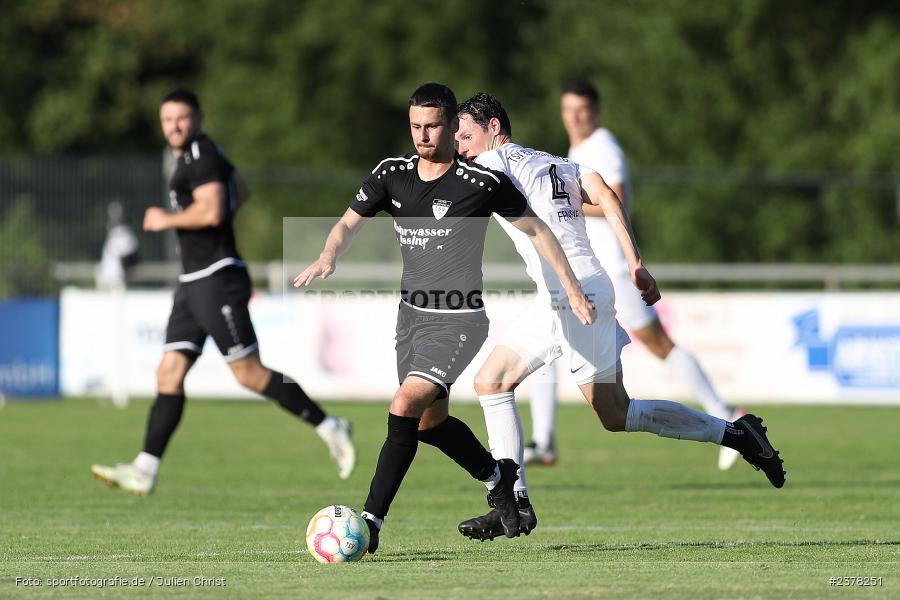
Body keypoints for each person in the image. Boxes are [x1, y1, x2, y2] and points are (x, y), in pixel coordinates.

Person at [453, 92, 786, 541]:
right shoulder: (555, 162)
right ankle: (515, 501)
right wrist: (635, 263)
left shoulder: (494, 164)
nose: (459, 143)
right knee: (491, 382)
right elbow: (607, 196)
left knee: (616, 414)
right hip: (568, 292)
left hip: (576, 296)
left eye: (465, 133)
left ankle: (737, 435)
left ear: (494, 127)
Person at [293, 83, 595, 553]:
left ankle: (370, 522)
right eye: (415, 126)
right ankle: (500, 477)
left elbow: (538, 230)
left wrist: (573, 288)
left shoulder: (479, 183)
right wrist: (329, 253)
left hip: (459, 319)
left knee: (403, 405)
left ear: (453, 126)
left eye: (432, 126)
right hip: (410, 319)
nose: (423, 135)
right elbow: (348, 222)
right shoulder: (391, 174)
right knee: (429, 425)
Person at [91, 89, 356, 495]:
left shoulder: (201, 154)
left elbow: (213, 209)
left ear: (197, 118)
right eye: (167, 120)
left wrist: (167, 219)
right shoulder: (198, 156)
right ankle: (145, 468)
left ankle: (329, 425)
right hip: (193, 280)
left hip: (216, 277)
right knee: (169, 371)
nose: (174, 126)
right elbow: (240, 190)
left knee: (249, 374)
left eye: (181, 118)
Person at [522, 79, 746, 471]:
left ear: (595, 111)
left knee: (658, 344)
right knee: (551, 339)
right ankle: (543, 439)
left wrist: (561, 207)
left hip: (609, 268)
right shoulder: (577, 150)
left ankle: (729, 417)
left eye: (582, 110)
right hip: (587, 267)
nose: (574, 117)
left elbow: (616, 198)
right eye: (568, 110)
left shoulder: (602, 146)